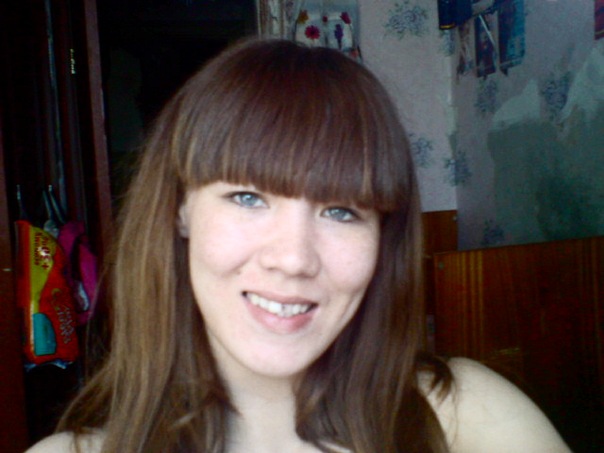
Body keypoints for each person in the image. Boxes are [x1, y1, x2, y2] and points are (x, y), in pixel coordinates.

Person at [27, 38, 570, 453]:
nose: (292, 259)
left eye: (341, 211)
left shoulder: (467, 417)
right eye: (247, 197)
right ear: (180, 209)